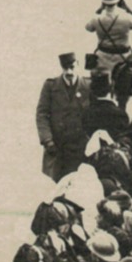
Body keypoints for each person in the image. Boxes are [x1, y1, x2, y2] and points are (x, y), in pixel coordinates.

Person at [35, 52, 90, 181]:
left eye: (72, 67)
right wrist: (47, 140)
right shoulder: (50, 86)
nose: (69, 72)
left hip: (79, 148)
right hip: (56, 147)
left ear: (78, 65)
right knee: (50, 187)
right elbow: (41, 114)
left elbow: (94, 115)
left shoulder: (87, 86)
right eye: (66, 68)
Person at [85, 0, 132, 66]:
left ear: (103, 2)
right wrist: (128, 9)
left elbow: (88, 27)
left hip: (102, 58)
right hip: (123, 58)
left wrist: (100, 9)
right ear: (119, 0)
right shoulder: (126, 18)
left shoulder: (96, 19)